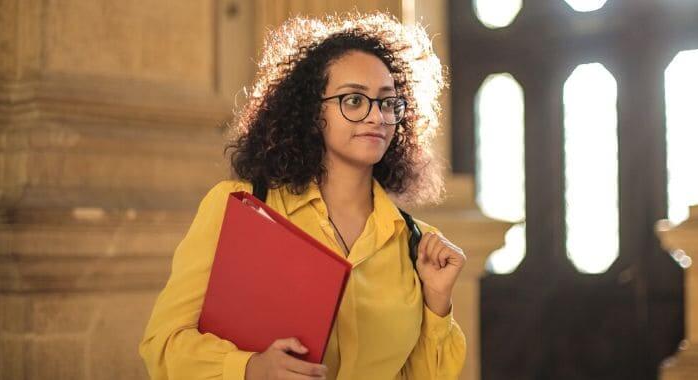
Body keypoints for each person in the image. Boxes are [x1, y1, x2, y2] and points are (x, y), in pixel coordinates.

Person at [139, 11, 467, 380]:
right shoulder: (241, 207)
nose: (377, 117)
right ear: (313, 111)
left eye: (388, 103)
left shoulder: (415, 244)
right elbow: (163, 346)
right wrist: (250, 369)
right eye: (354, 100)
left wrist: (437, 302)